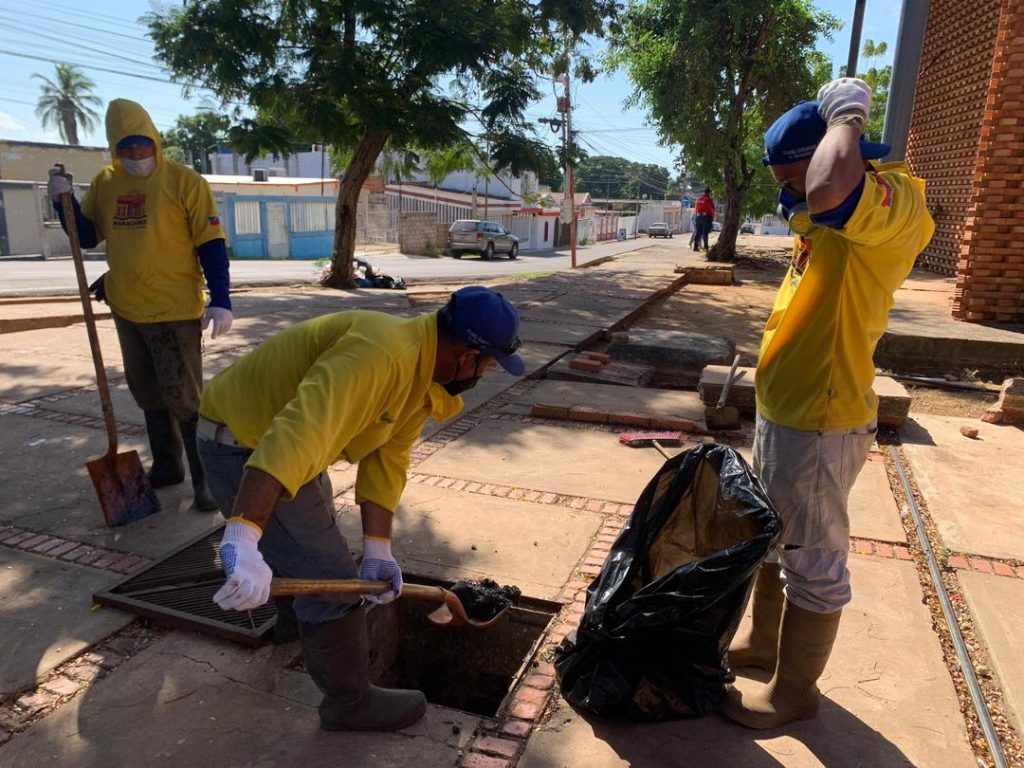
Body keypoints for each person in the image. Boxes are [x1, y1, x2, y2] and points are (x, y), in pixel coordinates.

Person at [196, 286, 524, 732]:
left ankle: (293, 626)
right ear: (468, 355)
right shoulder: (379, 356)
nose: (484, 374)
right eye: (488, 365)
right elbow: (295, 437)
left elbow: (389, 459)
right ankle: (349, 701)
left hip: (276, 441)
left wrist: (378, 548)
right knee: (330, 579)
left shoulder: (420, 370)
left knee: (305, 547)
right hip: (243, 442)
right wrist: (243, 533)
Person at [721, 78, 935, 729]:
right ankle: (764, 644)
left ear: (838, 155)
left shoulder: (891, 204)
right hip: (787, 408)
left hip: (821, 418)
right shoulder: (829, 207)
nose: (791, 197)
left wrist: (846, 115)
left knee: (813, 559)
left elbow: (828, 191)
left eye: (795, 179)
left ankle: (795, 692)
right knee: (770, 537)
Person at [46, 99, 232, 512]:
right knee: (147, 393)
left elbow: (210, 243)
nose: (135, 152)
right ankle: (167, 467)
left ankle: (205, 481)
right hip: (127, 307)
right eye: (125, 145)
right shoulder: (106, 183)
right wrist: (64, 204)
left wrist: (221, 298)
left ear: (155, 140)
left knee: (185, 398)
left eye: (142, 143)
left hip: (174, 309)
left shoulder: (184, 181)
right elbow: (87, 236)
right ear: (114, 147)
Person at [694, 187, 715, 251]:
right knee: (705, 233)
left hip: (698, 217)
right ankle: (706, 247)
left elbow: (696, 208)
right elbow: (712, 208)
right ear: (709, 193)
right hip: (706, 217)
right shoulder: (709, 199)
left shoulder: (698, 198)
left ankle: (695, 247)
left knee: (698, 232)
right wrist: (713, 215)